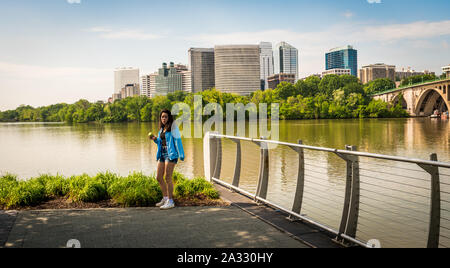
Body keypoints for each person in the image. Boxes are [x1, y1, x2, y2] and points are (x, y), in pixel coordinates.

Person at [149, 109, 185, 210]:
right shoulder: (161, 129)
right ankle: (165, 198)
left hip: (171, 154)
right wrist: (155, 139)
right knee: (159, 177)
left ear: (169, 118)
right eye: (162, 117)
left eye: (165, 117)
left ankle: (170, 201)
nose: (163, 118)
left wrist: (181, 154)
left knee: (168, 177)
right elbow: (161, 142)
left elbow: (178, 141)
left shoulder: (173, 128)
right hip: (162, 154)